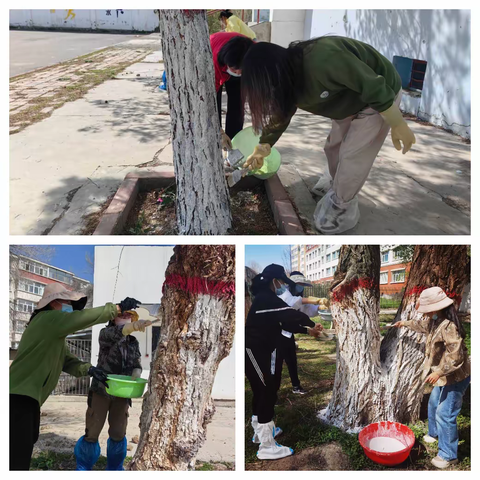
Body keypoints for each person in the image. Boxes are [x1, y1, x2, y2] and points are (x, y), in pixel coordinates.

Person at [239, 36, 416, 234]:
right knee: (333, 148)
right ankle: (337, 187)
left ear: (276, 70)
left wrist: (396, 121)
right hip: (346, 101)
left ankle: (341, 207)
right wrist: (264, 146)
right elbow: (282, 113)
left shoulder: (324, 59)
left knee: (353, 156)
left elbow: (371, 84)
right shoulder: (284, 82)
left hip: (379, 97)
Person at [9, 282, 142, 471]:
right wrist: (116, 308)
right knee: (15, 457)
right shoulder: (48, 319)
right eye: (66, 302)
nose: (69, 308)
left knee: (20, 451)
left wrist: (90, 369)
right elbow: (82, 318)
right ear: (53, 303)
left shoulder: (53, 334)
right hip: (17, 398)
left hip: (28, 399)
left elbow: (68, 361)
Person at [246, 264, 323, 460]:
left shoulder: (267, 300)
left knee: (265, 390)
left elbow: (285, 323)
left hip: (263, 351)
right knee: (266, 392)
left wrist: (307, 330)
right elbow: (292, 314)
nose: (282, 286)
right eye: (281, 282)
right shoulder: (266, 299)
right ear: (275, 281)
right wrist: (312, 324)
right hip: (256, 352)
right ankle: (267, 447)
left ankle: (261, 432)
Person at [393, 286, 471, 469]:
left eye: (427, 309)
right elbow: (421, 326)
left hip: (455, 377)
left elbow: (456, 357)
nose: (425, 313)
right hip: (444, 375)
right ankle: (434, 433)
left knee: (446, 413)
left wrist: (438, 372)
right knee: (434, 403)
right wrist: (404, 324)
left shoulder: (449, 326)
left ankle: (448, 454)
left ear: (436, 308)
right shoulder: (436, 321)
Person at [74, 310, 152, 471]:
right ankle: (84, 466)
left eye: (128, 316)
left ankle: (115, 467)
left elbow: (136, 362)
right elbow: (118, 333)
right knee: (92, 431)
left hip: (123, 392)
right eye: (121, 315)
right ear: (113, 318)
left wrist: (137, 371)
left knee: (118, 432)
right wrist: (134, 326)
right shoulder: (106, 334)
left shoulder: (133, 342)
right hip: (101, 389)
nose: (124, 318)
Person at [276, 271, 330, 394]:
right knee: (276, 364)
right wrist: (314, 300)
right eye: (298, 284)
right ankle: (272, 391)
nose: (301, 287)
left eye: (302, 284)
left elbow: (306, 311)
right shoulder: (284, 294)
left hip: (288, 333)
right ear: (292, 284)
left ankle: (296, 386)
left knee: (292, 361)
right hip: (276, 334)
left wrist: (319, 307)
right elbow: (293, 303)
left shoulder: (298, 296)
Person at [211, 32, 254, 147]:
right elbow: (210, 103)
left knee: (238, 104)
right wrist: (219, 132)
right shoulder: (213, 63)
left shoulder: (255, 54)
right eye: (235, 70)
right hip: (217, 63)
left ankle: (233, 144)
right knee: (215, 103)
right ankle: (218, 140)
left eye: (241, 70)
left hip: (239, 59)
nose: (238, 73)